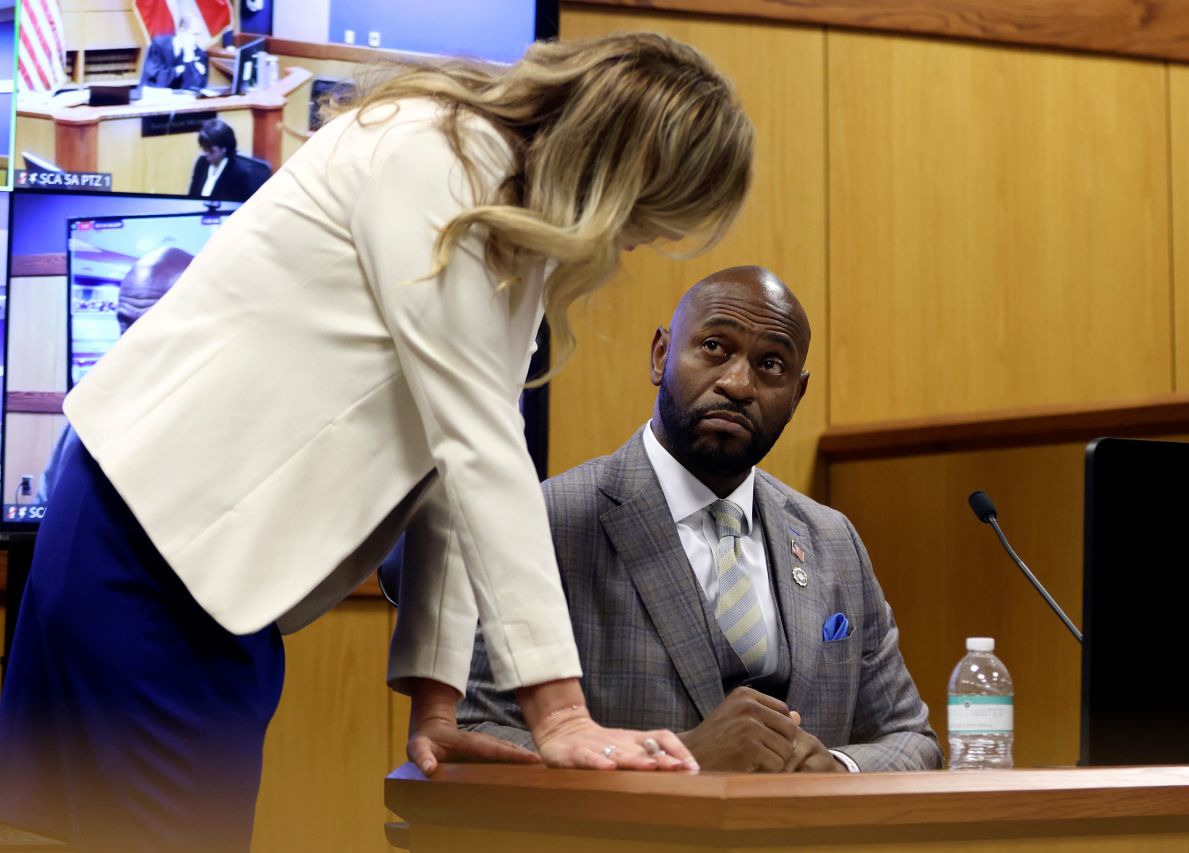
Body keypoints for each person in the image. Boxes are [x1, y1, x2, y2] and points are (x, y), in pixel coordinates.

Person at [0, 33, 754, 852]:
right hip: (147, 549)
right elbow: (478, 447)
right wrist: (560, 710)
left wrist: (438, 698)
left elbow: (446, 473)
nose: (636, 243)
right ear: (624, 170)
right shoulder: (435, 155)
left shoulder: (501, 216)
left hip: (190, 559)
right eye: (650, 217)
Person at [460, 267, 942, 773]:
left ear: (797, 396)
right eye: (714, 347)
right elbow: (472, 734)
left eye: (771, 365)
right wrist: (674, 758)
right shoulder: (553, 518)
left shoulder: (831, 539)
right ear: (661, 355)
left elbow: (912, 739)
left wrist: (837, 768)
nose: (737, 384)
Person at [38, 246, 196, 502]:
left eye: (150, 326)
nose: (129, 344)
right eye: (125, 323)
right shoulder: (89, 410)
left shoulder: (227, 421)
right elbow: (47, 506)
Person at [188, 119, 270, 201]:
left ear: (224, 148)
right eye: (203, 148)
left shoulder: (240, 172)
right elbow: (192, 198)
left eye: (210, 150)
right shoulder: (202, 163)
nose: (205, 153)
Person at [140, 15, 209, 90]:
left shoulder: (198, 53)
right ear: (181, 31)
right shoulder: (159, 45)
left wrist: (189, 58)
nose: (196, 39)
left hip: (184, 98)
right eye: (194, 34)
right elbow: (153, 77)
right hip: (156, 94)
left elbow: (197, 86)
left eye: (198, 35)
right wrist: (177, 71)